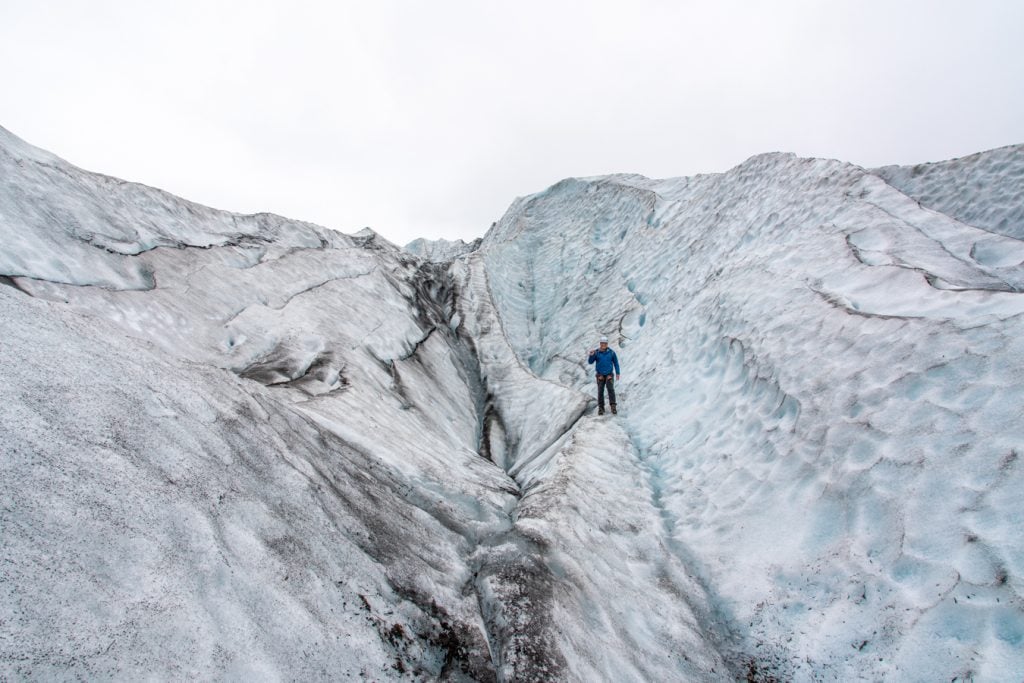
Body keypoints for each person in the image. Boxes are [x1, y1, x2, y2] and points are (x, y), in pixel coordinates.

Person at [587, 335, 621, 415]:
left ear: (607, 344)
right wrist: (591, 356)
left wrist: (617, 373)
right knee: (600, 391)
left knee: (611, 390)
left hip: (609, 374)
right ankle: (601, 408)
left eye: (605, 343)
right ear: (600, 344)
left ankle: (613, 406)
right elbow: (590, 362)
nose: (603, 345)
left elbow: (616, 363)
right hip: (600, 375)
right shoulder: (596, 353)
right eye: (602, 343)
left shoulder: (611, 353)